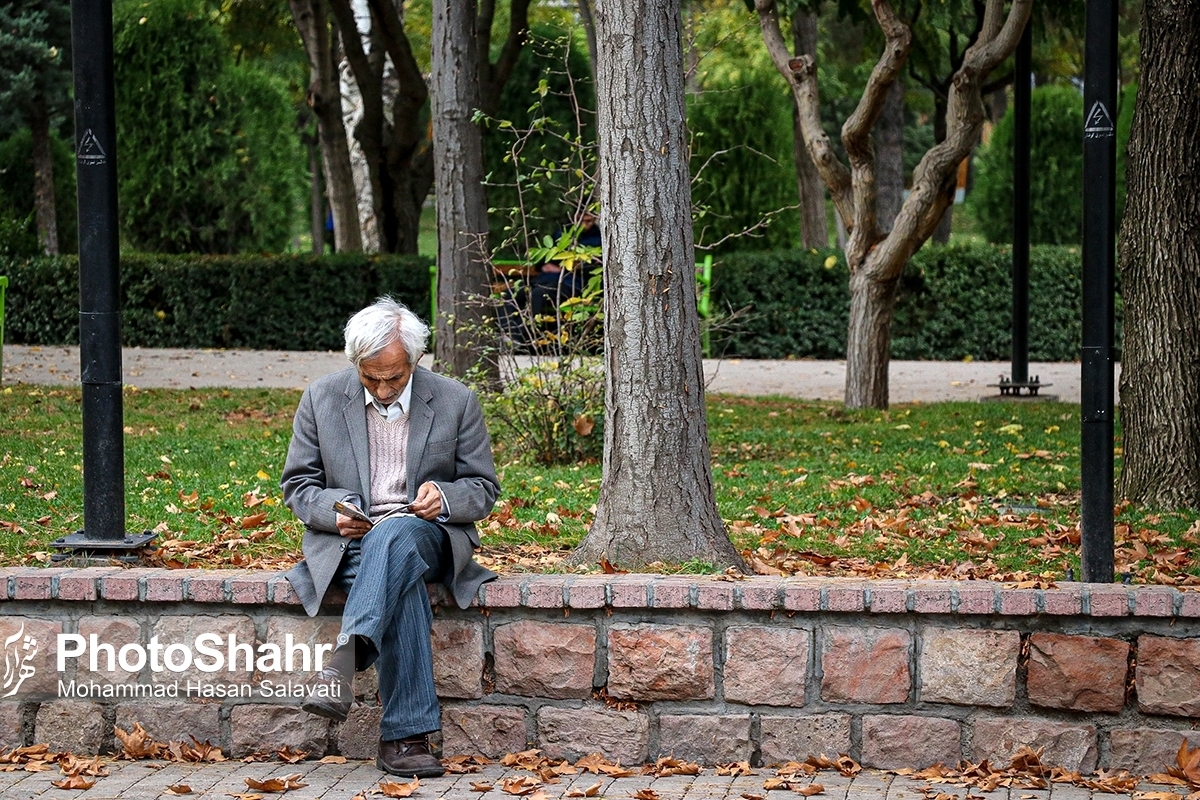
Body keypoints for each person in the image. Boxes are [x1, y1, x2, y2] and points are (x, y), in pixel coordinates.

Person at [280, 296, 499, 778]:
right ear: (354, 363)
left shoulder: (455, 400)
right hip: (349, 543)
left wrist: (444, 496)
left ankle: (344, 660)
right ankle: (406, 739)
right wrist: (333, 513)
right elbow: (297, 486)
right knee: (400, 582)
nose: (382, 389)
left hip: (429, 536)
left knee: (398, 535)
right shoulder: (321, 398)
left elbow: (483, 488)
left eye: (394, 378)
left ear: (416, 360)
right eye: (369, 377)